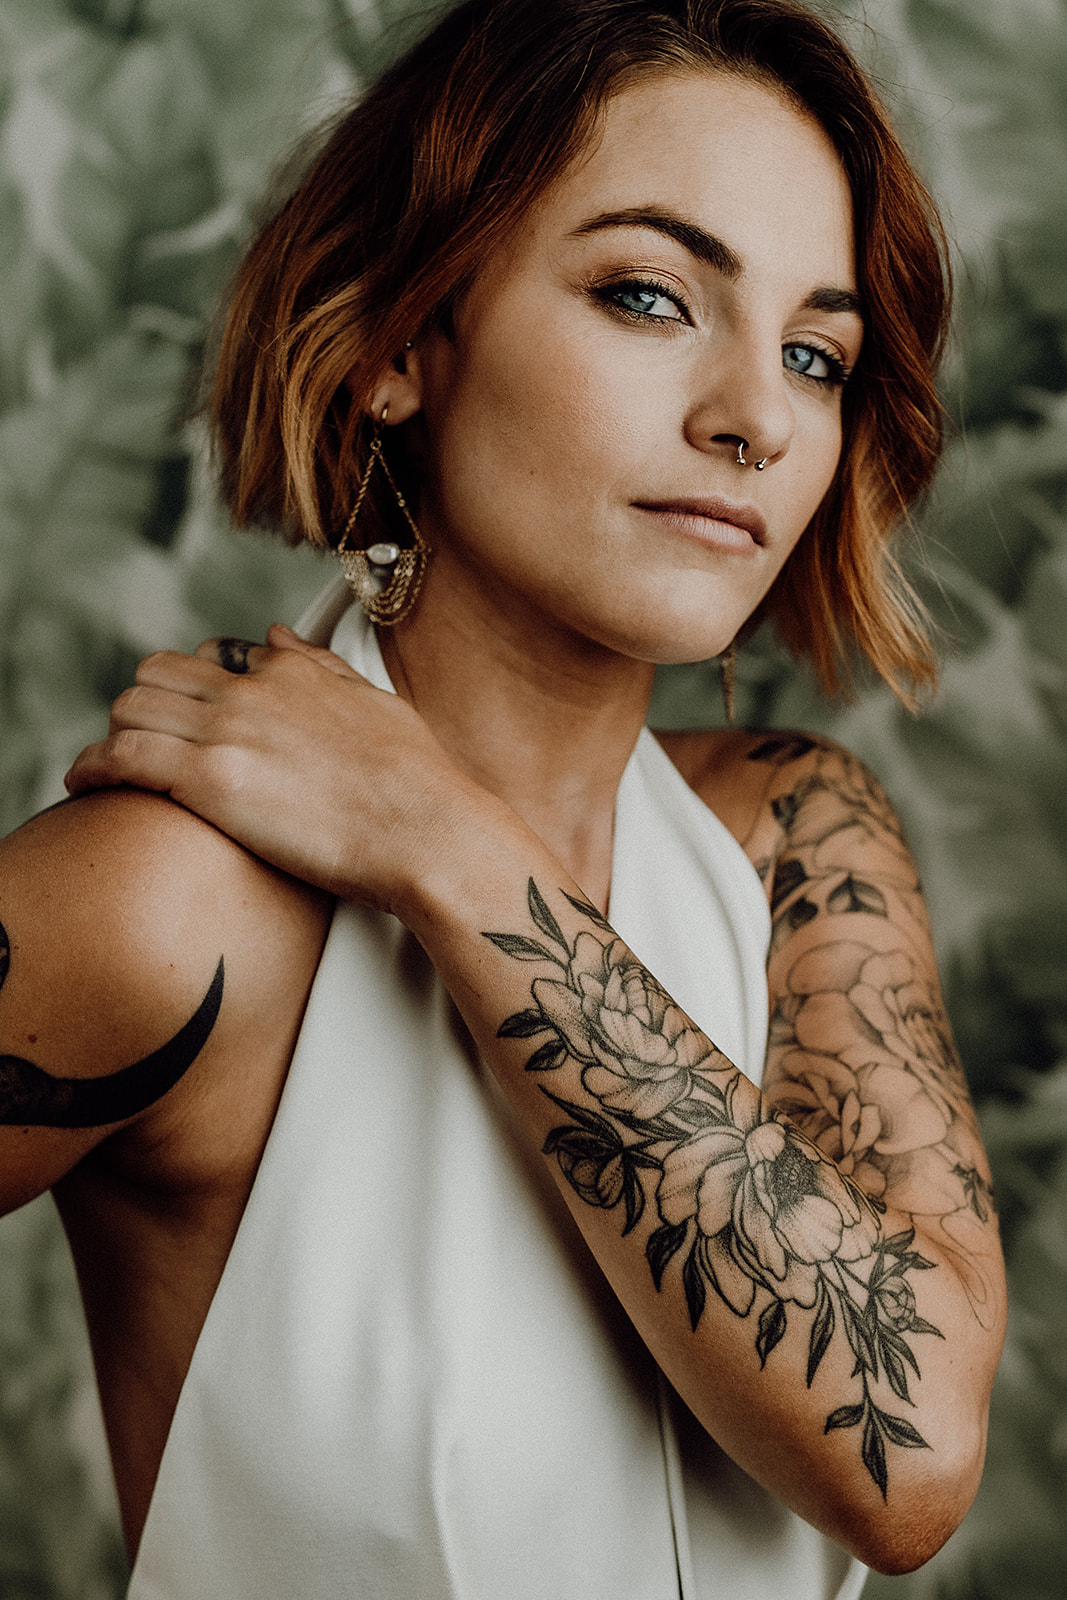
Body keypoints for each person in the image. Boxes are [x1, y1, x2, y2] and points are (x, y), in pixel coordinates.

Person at [0, 0, 1005, 1594]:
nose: (756, 417)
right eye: (649, 295)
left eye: (816, 355)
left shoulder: (800, 843)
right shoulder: (168, 906)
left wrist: (442, 842)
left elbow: (912, 1455)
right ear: (402, 341)